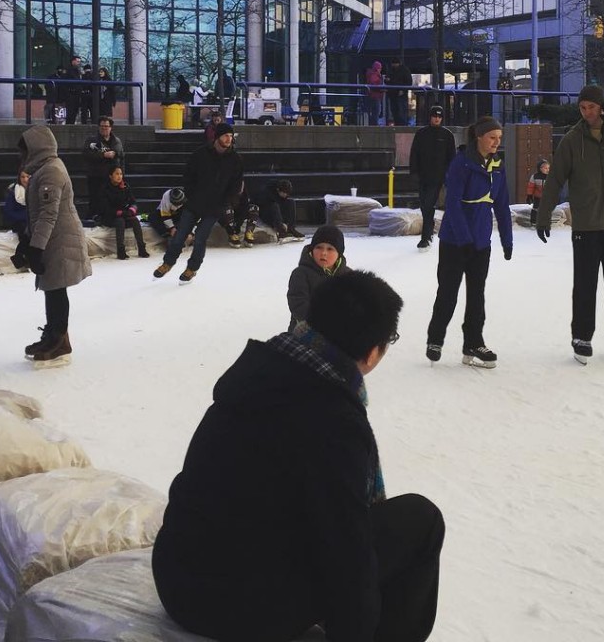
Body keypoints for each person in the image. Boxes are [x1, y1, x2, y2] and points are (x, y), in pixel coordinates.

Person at [152, 271, 444, 642]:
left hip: (178, 577)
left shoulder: (261, 371)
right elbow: (346, 553)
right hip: (228, 607)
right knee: (422, 520)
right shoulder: (333, 419)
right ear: (373, 351)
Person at [536, 84, 604, 363]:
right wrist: (543, 214)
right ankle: (581, 336)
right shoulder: (573, 139)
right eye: (583, 108)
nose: (587, 113)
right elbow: (555, 179)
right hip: (587, 223)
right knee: (585, 284)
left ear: (602, 107)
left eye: (592, 108)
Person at [424, 116, 512, 368]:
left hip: (481, 241)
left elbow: (502, 205)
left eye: (499, 138)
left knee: (477, 295)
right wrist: (464, 238)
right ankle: (435, 339)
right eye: (492, 137)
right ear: (479, 137)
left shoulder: (497, 165)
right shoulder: (461, 164)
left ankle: (473, 342)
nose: (497, 142)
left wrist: (507, 239)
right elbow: (452, 204)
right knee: (448, 292)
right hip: (455, 241)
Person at [19, 125, 92, 364]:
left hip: (59, 240)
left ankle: (58, 339)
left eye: (26, 150)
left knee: (57, 289)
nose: (23, 156)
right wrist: (29, 241)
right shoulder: (44, 169)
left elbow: (48, 214)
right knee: (52, 288)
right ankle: (53, 333)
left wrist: (35, 247)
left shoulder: (51, 172)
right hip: (53, 238)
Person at [154, 122, 243, 284]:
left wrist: (226, 202)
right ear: (217, 137)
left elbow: (236, 184)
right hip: (194, 203)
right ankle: (168, 263)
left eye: (231, 136)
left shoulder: (235, 159)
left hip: (215, 207)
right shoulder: (200, 154)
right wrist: (191, 195)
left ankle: (192, 268)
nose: (229, 139)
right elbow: (188, 176)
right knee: (180, 235)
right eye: (226, 136)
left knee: (200, 238)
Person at [409, 105, 456, 250]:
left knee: (428, 205)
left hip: (438, 178)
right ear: (430, 117)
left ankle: (425, 237)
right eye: (435, 116)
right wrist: (414, 172)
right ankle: (428, 233)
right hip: (423, 176)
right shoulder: (421, 134)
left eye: (439, 116)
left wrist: (450, 176)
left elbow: (451, 157)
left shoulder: (447, 135)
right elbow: (414, 154)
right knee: (425, 207)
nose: (437, 119)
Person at [286, 224, 350, 331]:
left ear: (339, 254)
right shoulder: (301, 274)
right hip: (305, 333)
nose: (323, 253)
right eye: (319, 247)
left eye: (330, 249)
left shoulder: (348, 276)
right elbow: (299, 305)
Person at [96, 165, 150, 259]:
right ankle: (120, 250)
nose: (119, 176)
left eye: (121, 174)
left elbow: (133, 202)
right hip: (109, 216)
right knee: (120, 221)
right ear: (110, 175)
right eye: (117, 174)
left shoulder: (125, 186)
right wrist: (121, 213)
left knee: (135, 220)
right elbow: (105, 209)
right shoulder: (104, 189)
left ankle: (142, 248)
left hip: (124, 214)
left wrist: (131, 210)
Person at [84, 117, 125, 217]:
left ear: (111, 127)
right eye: (102, 126)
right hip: (95, 176)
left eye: (106, 126)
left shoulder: (116, 141)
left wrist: (121, 174)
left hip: (111, 177)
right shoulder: (92, 140)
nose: (104, 128)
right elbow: (86, 154)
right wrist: (103, 155)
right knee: (95, 199)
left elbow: (121, 156)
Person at [3, 169, 31, 270]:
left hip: (34, 220)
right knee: (26, 233)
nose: (25, 179)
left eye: (28, 177)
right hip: (20, 221)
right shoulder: (13, 191)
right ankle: (20, 258)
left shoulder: (36, 189)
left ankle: (21, 258)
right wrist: (26, 216)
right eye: (23, 177)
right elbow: (9, 211)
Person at [223, 183, 259, 248]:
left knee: (254, 208)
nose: (241, 189)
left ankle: (249, 232)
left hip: (238, 213)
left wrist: (238, 225)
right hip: (225, 214)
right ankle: (232, 234)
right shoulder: (226, 190)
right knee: (227, 210)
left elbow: (245, 207)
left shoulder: (244, 193)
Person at [387, 58, 413, 126]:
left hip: (400, 94)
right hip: (393, 94)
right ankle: (399, 125)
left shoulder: (403, 70)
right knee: (395, 111)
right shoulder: (392, 70)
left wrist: (403, 90)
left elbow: (409, 82)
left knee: (401, 111)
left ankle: (402, 125)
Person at [526, 158, 550, 227]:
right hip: (538, 196)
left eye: (548, 168)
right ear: (540, 168)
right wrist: (529, 196)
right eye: (545, 168)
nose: (547, 170)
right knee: (535, 209)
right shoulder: (535, 176)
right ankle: (533, 222)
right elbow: (531, 187)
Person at [63, 55, 84, 125]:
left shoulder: (78, 71)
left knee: (75, 111)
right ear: (73, 61)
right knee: (70, 111)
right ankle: (69, 124)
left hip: (77, 94)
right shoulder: (68, 70)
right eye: (77, 61)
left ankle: (71, 124)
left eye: (79, 62)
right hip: (70, 93)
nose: (78, 63)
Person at [365, 60, 385, 125]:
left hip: (374, 96)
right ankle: (374, 126)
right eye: (380, 68)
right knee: (376, 112)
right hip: (375, 96)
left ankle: (373, 125)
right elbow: (374, 85)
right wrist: (382, 88)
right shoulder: (374, 75)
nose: (380, 70)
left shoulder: (371, 74)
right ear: (377, 68)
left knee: (375, 112)